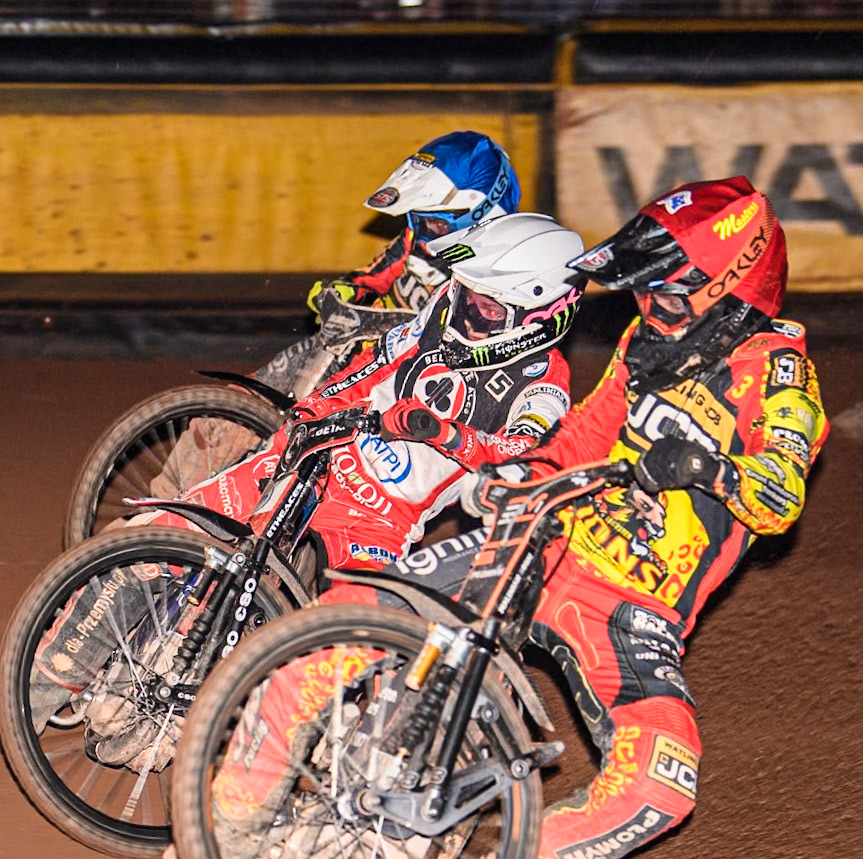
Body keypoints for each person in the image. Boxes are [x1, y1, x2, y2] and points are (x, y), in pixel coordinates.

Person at [203, 177, 829, 859]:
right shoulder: (645, 344)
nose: (647, 312)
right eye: (646, 296)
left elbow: (780, 496)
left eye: (666, 296)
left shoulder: (781, 377)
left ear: (730, 290)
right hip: (545, 543)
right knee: (338, 625)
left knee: (664, 783)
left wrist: (708, 469)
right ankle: (226, 825)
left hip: (633, 612)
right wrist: (522, 472)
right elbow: (585, 434)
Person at [29, 212, 584, 739]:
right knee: (156, 537)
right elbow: (369, 367)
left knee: (337, 657)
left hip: (382, 522)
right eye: (466, 292)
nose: (466, 310)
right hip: (320, 457)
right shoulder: (443, 311)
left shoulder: (542, 387)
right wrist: (314, 412)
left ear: (540, 315)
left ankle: (228, 745)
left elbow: (523, 458)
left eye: (486, 308)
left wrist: (447, 435)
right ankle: (47, 684)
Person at [253, 130, 523, 400]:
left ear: (479, 214)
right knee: (259, 389)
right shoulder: (415, 238)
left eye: (438, 223)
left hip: (406, 374)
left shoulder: (495, 275)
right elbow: (374, 275)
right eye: (420, 220)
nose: (427, 231)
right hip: (355, 344)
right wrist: (343, 291)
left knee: (319, 424)